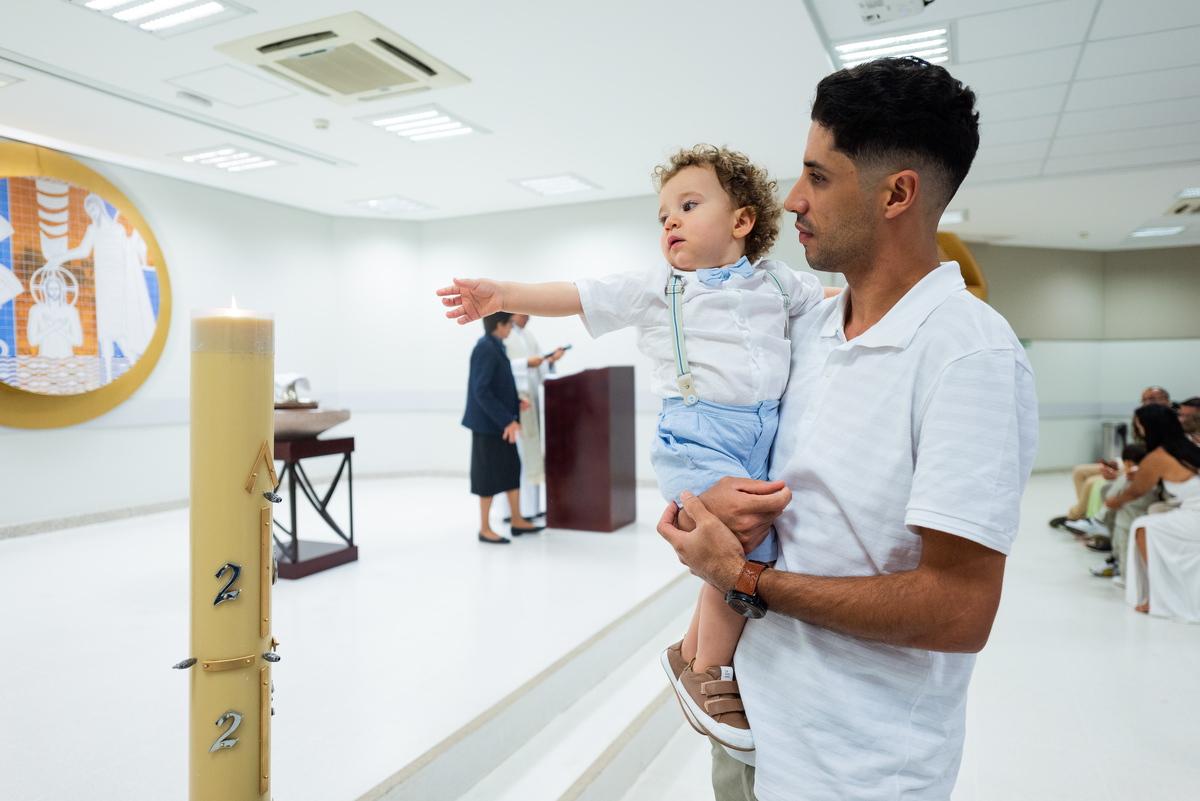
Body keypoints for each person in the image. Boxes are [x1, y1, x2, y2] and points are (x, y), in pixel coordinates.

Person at [653, 57, 1037, 800]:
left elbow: (958, 608)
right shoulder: (808, 324)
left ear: (897, 192)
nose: (792, 199)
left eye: (818, 177)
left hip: (857, 768)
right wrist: (708, 509)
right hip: (750, 726)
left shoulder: (970, 356)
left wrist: (743, 577)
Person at [438, 144, 838, 752]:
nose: (670, 221)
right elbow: (578, 294)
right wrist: (505, 294)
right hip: (697, 436)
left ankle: (685, 652)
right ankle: (710, 673)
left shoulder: (780, 283)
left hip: (762, 435)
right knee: (740, 542)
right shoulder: (660, 288)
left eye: (688, 205)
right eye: (663, 215)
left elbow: (836, 305)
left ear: (743, 220)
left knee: (757, 542)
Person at [1105, 404, 1200, 620]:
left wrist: (1113, 502)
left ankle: (1156, 596)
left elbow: (1134, 492)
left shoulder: (1158, 456)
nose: (1139, 432)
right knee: (1151, 521)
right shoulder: (1186, 444)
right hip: (1191, 509)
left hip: (1195, 513)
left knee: (1143, 527)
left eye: (1139, 427)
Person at [461, 311, 545, 544]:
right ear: (499, 325)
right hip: (488, 426)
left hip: (502, 423)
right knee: (486, 476)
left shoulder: (497, 345)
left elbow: (499, 385)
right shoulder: (484, 348)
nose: (512, 327)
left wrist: (516, 404)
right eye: (509, 323)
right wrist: (507, 420)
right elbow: (482, 391)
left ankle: (517, 520)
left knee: (510, 469)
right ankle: (485, 528)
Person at [1048, 385, 1171, 531]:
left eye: (1152, 399)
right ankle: (1084, 515)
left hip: (1140, 468)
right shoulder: (1142, 417)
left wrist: (1122, 471)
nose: (1147, 402)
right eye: (1144, 400)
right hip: (1131, 464)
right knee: (1080, 472)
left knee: (1093, 482)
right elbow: (1137, 451)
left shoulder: (1167, 424)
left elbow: (1151, 460)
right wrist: (1119, 463)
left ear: (1166, 401)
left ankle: (1081, 518)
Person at [499, 314, 565, 521]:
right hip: (514, 404)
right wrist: (526, 363)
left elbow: (540, 366)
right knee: (516, 458)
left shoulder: (528, 336)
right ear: (514, 313)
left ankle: (531, 508)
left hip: (531, 402)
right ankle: (512, 511)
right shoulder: (504, 336)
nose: (529, 317)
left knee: (531, 456)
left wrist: (550, 360)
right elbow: (502, 368)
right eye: (525, 313)